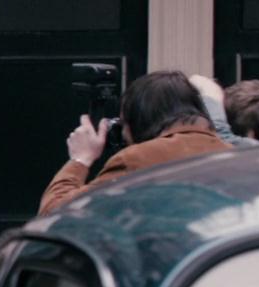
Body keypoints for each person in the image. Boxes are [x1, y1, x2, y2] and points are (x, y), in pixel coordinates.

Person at [39, 71, 231, 216]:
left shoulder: (136, 159)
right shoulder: (232, 155)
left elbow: (55, 214)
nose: (122, 134)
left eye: (123, 124)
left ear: (139, 121)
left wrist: (80, 159)